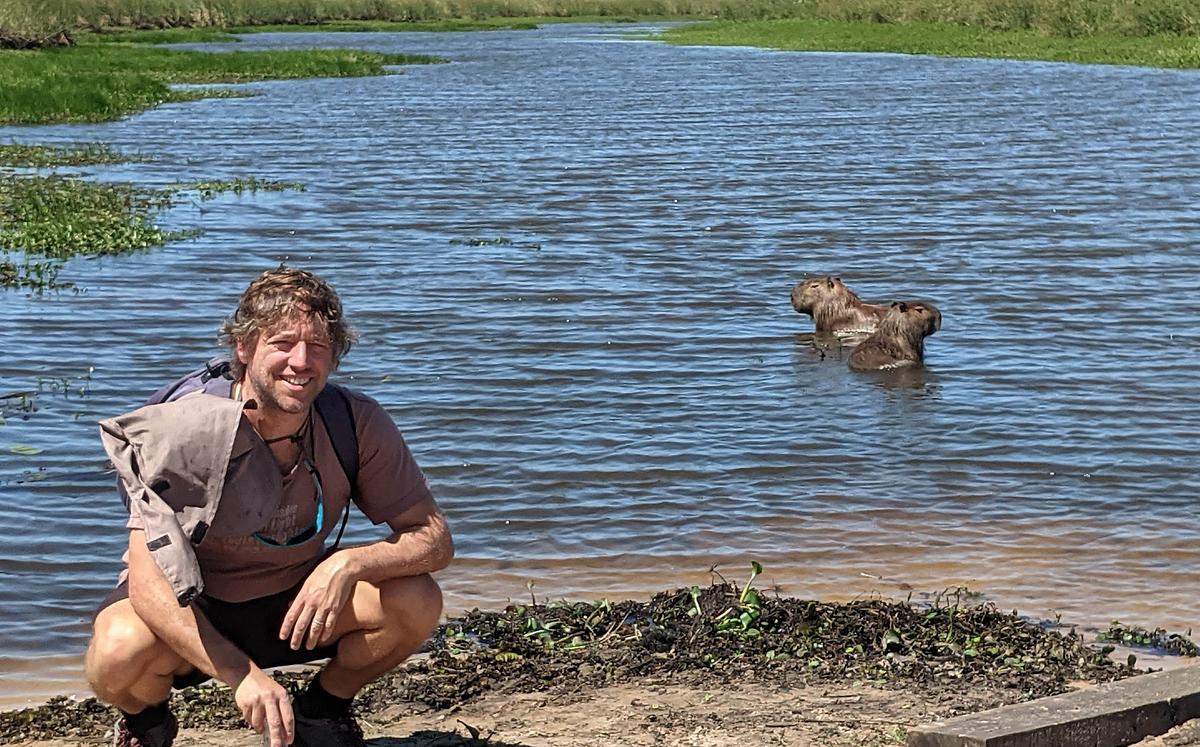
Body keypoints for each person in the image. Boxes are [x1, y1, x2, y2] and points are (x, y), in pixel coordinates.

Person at [84, 267, 453, 747]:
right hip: (196, 609)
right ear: (244, 348)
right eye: (282, 343)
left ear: (334, 356)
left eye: (318, 346)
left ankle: (323, 710)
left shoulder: (354, 422)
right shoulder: (185, 429)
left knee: (416, 600)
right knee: (116, 651)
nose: (301, 362)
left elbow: (434, 537)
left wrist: (346, 563)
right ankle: (146, 720)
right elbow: (147, 580)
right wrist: (240, 675)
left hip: (295, 604)